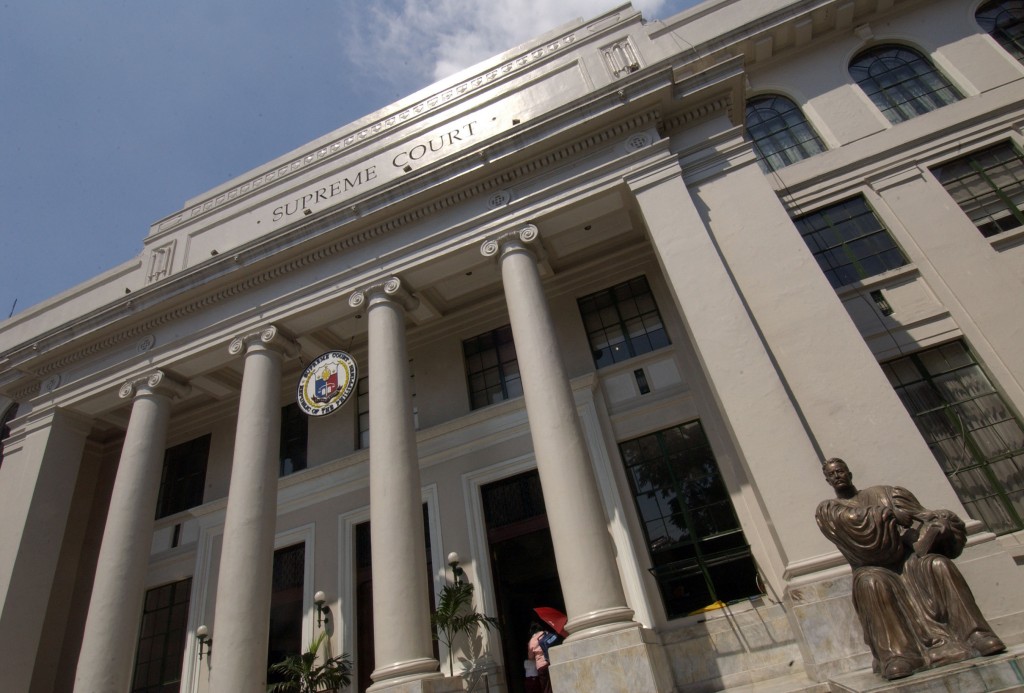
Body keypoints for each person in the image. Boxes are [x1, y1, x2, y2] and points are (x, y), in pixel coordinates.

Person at [815, 457, 1005, 680]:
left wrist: (938, 523)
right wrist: (888, 515)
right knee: (871, 583)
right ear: (827, 480)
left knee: (938, 564)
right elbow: (851, 525)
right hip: (874, 567)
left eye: (840, 471)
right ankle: (899, 655)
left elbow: (923, 516)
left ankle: (975, 635)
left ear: (849, 473)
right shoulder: (829, 510)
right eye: (832, 474)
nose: (837, 476)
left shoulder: (885, 493)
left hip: (910, 560)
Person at [526, 621, 556, 693]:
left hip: (542, 666)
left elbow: (530, 657)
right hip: (552, 661)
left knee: (546, 687)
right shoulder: (546, 633)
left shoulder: (532, 641)